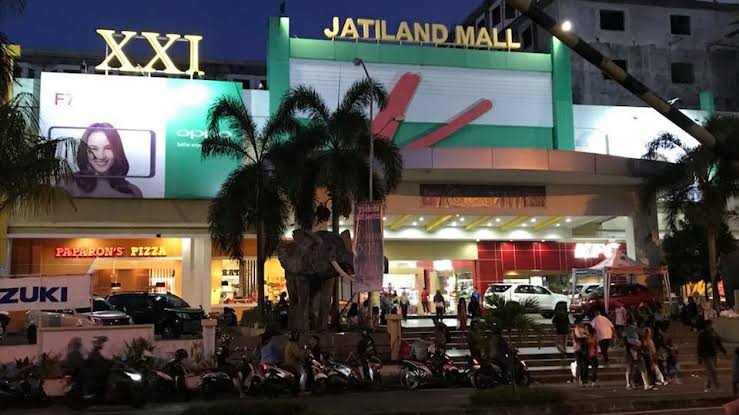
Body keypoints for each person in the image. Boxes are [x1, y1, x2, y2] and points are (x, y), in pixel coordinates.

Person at [65, 123, 143, 198]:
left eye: (108, 148)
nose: (101, 156)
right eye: (94, 149)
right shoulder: (66, 184)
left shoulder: (133, 192)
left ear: (117, 151)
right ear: (84, 152)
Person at [697, 319, 727, 392]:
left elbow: (718, 342)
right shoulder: (702, 334)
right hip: (706, 356)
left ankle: (708, 386)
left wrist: (723, 350)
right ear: (707, 325)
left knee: (710, 371)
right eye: (711, 324)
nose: (712, 326)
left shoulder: (713, 333)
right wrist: (699, 357)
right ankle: (717, 387)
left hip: (713, 354)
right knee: (713, 371)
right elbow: (699, 346)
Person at [623, 318, 653, 391]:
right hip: (634, 350)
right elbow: (640, 340)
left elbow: (625, 341)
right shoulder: (634, 330)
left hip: (632, 351)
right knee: (640, 368)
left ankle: (629, 384)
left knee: (631, 368)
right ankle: (645, 385)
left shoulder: (627, 331)